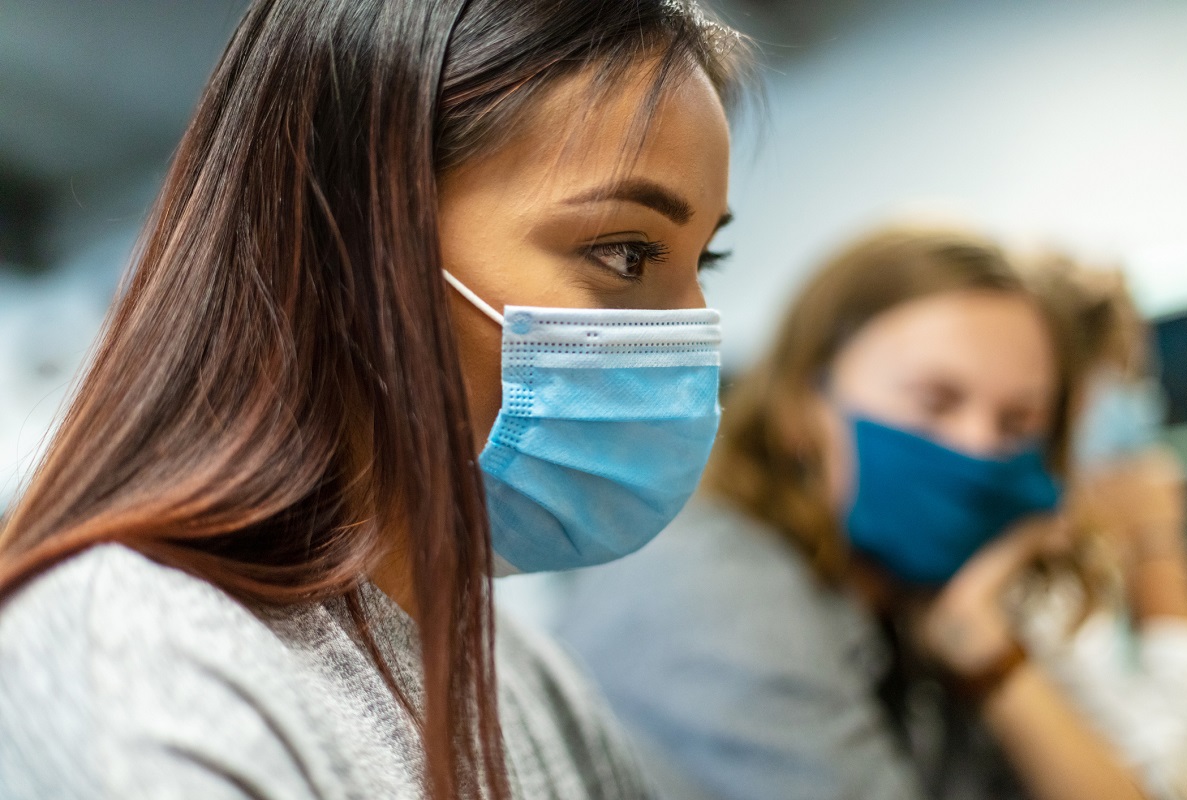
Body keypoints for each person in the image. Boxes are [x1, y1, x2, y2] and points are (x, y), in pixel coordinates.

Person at [0, 2, 747, 798]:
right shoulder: (139, 664)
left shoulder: (512, 672)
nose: (692, 333)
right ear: (358, 240)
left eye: (706, 260)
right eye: (627, 253)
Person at [543, 227, 1169, 800]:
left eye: (1018, 424)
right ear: (801, 408)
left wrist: (983, 648)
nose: (978, 447)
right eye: (934, 402)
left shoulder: (908, 599)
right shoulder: (707, 589)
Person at [1020, 255, 1187, 799]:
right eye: (1122, 376)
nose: (1141, 402)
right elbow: (1177, 774)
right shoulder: (1033, 583)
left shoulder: (1089, 557)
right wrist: (1156, 546)